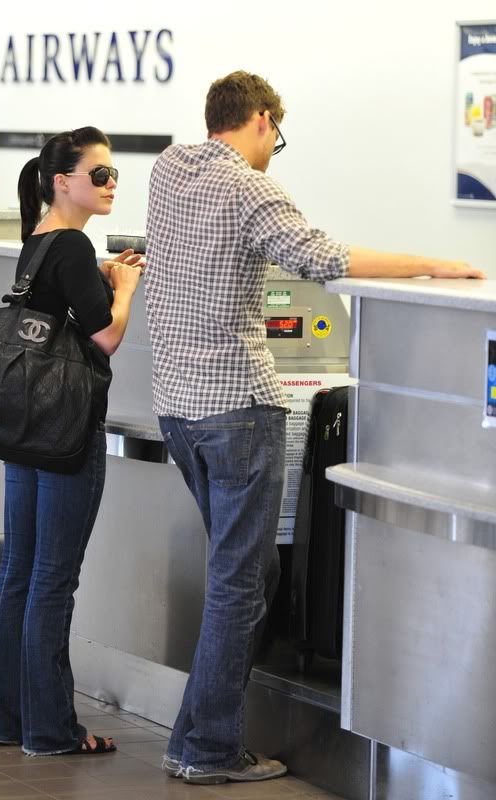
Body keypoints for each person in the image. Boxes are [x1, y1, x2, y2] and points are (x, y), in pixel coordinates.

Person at [144, 71, 485, 786]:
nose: (277, 152)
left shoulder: (169, 170)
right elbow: (322, 259)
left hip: (176, 408)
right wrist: (432, 263)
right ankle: (206, 750)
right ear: (263, 119)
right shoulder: (251, 187)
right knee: (242, 579)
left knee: (244, 571)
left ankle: (191, 740)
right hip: (237, 406)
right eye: (279, 137)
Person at [0, 126, 142, 756]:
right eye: (99, 174)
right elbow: (104, 337)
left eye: (113, 175)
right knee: (53, 578)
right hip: (67, 432)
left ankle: (10, 720)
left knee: (18, 574)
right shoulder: (72, 247)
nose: (111, 185)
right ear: (63, 181)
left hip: (26, 429)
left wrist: (101, 273)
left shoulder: (39, 241)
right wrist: (125, 289)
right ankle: (52, 730)